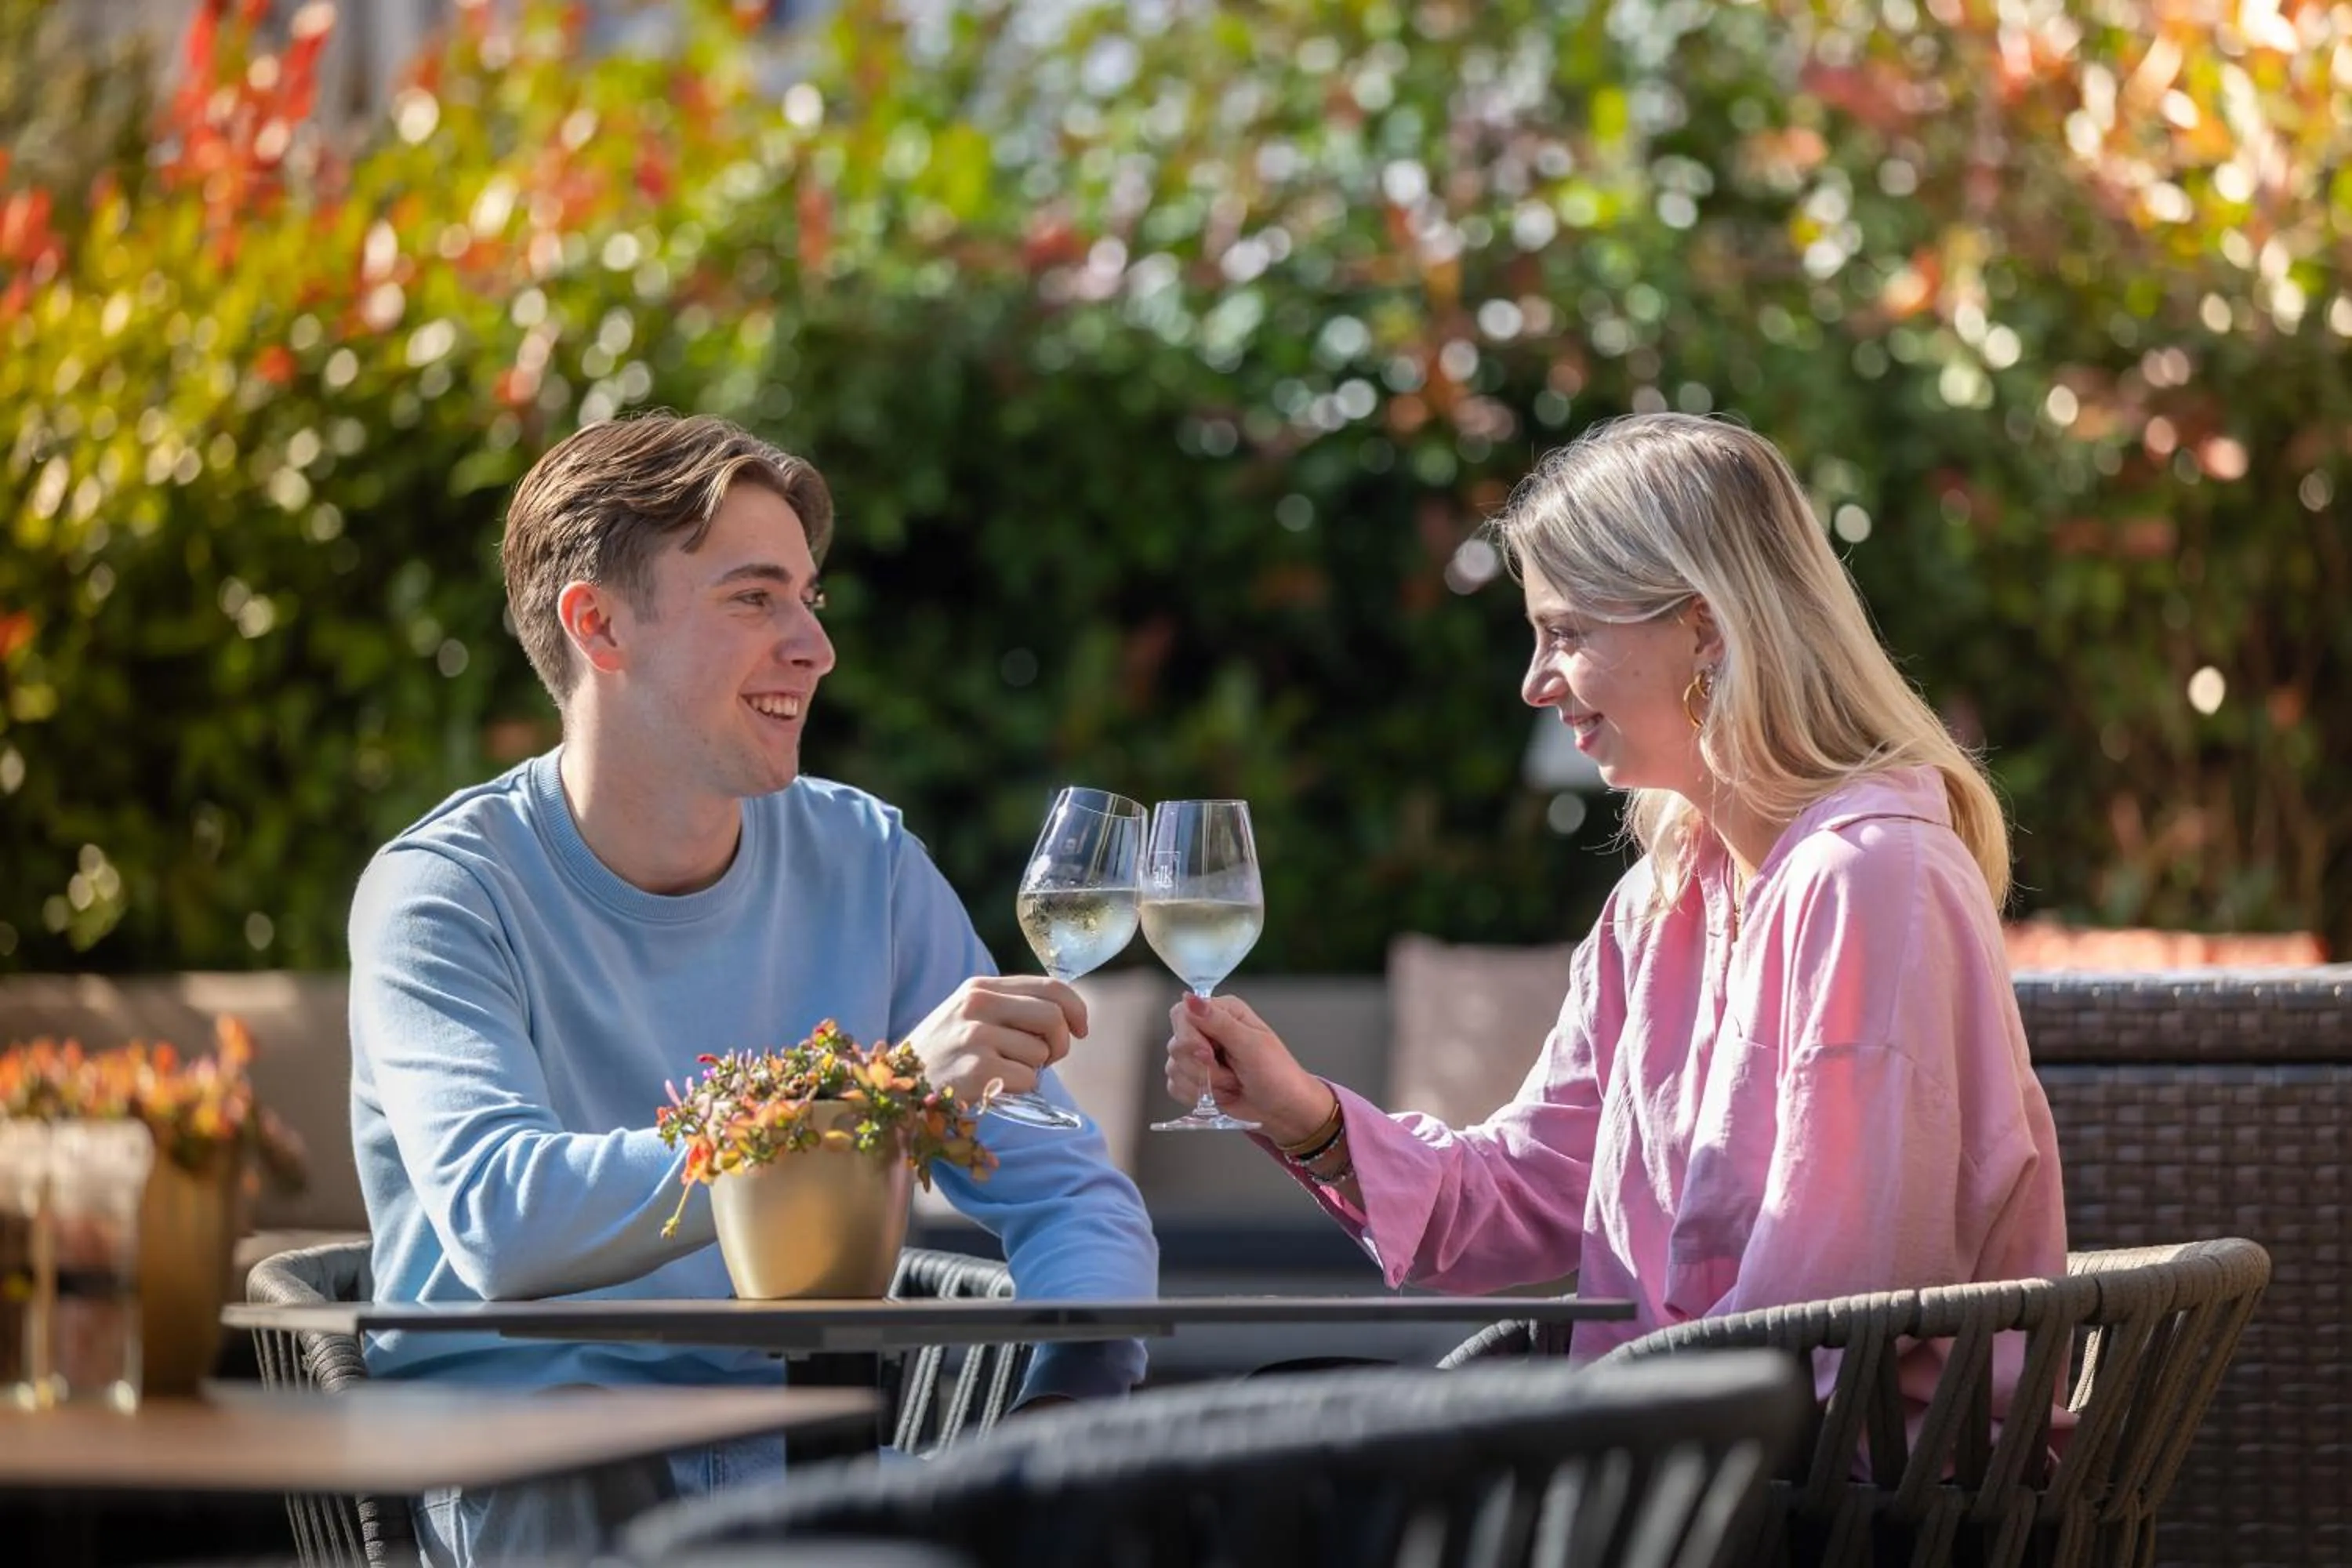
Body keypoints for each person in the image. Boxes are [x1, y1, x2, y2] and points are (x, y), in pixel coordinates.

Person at [348, 412, 1158, 1568]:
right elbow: (501, 1219)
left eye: (809, 601)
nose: (815, 648)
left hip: (802, 1461)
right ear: (600, 624)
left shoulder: (865, 860)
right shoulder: (443, 892)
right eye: (753, 598)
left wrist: (1067, 1414)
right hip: (534, 1485)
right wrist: (865, 1098)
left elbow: (1071, 1193)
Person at [1167, 412, 2067, 1377]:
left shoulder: (1871, 879)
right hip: (1686, 1452)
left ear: (1707, 625)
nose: (1533, 683)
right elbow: (1524, 1193)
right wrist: (1308, 1117)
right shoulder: (1660, 904)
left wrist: (1596, 1441)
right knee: (1274, 1430)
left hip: (1826, 1499)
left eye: (1565, 632)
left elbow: (1821, 1313)